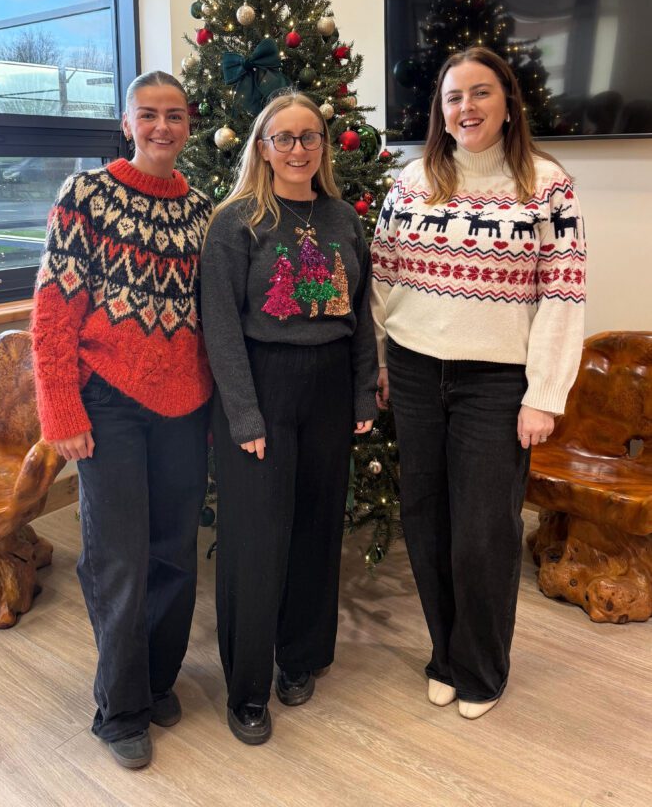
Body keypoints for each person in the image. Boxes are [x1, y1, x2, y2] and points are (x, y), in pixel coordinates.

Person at [371, 47, 586, 719]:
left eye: (480, 92)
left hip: (495, 382)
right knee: (426, 520)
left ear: (507, 102)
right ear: (440, 112)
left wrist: (543, 395)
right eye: (453, 97)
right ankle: (445, 655)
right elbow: (381, 276)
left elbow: (562, 294)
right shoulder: (412, 182)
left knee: (483, 532)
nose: (466, 107)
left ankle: (481, 668)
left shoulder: (546, 185)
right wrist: (380, 360)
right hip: (413, 370)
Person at [31, 70, 213, 768]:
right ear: (126, 123)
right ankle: (120, 708)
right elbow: (53, 313)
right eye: (148, 114)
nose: (162, 126)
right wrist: (61, 408)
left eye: (175, 114)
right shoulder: (85, 196)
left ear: (188, 124)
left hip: (185, 405)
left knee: (173, 555)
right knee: (116, 559)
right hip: (107, 404)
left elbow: (211, 317)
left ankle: (157, 680)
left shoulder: (202, 210)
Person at [200, 91, 378, 745]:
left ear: (323, 147)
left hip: (329, 386)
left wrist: (363, 394)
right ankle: (247, 688)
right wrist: (244, 415)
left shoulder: (342, 218)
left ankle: (300, 655)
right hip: (262, 385)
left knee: (316, 528)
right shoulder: (236, 222)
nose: (298, 149)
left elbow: (360, 313)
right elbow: (220, 325)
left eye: (309, 137)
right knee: (256, 539)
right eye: (284, 138)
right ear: (263, 147)